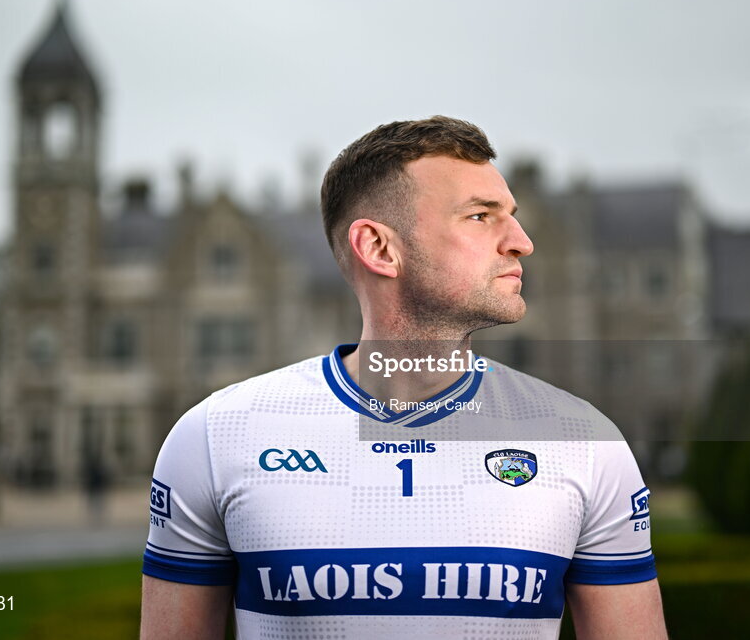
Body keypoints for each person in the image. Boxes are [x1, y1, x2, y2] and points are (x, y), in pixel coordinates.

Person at [140, 116, 667, 639]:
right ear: (379, 249)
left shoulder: (586, 442)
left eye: (513, 216)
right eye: (482, 217)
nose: (522, 242)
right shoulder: (214, 436)